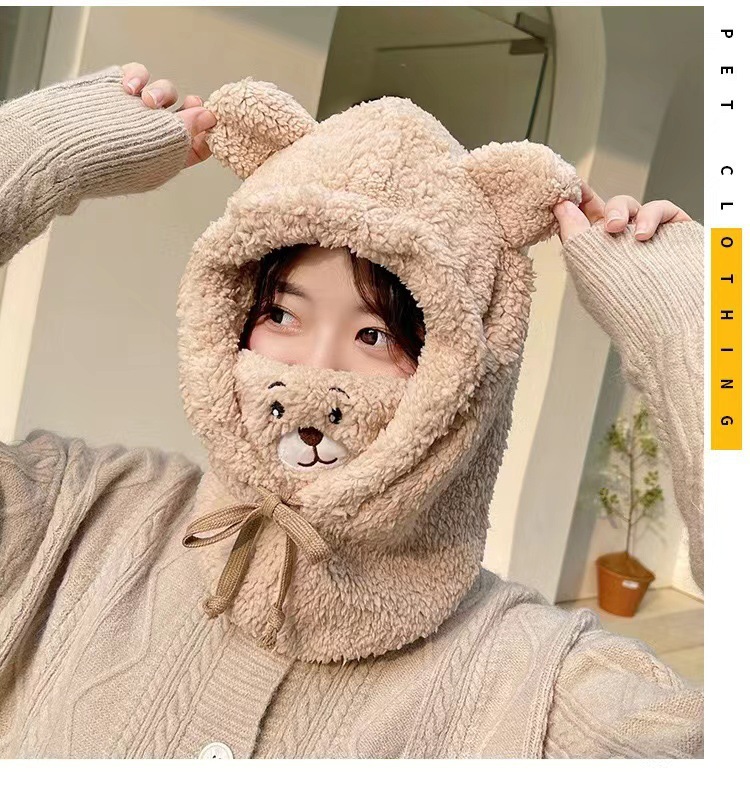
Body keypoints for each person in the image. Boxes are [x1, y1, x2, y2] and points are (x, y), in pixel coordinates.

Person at [0, 62, 703, 758]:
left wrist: (705, 331)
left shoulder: (541, 687)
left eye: (376, 335)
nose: (313, 371)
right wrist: (29, 153)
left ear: (466, 373)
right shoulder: (77, 515)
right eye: (281, 314)